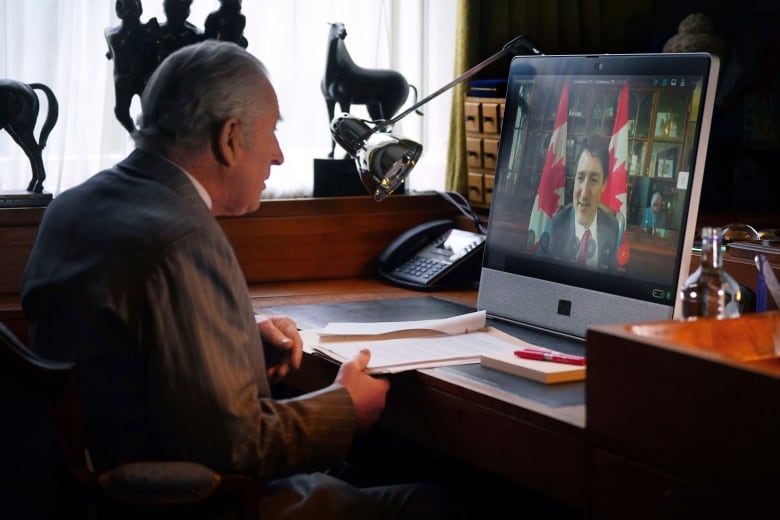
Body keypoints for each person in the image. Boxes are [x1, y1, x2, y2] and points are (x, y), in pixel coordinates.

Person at [21, 41, 450, 519]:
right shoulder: (183, 237)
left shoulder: (72, 206)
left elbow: (133, 341)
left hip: (93, 492)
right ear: (229, 139)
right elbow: (238, 448)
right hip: (198, 504)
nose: (280, 156)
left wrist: (238, 339)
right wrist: (345, 407)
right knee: (453, 502)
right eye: (270, 132)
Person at [549, 136, 620, 270]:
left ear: (604, 184)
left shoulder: (613, 229)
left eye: (593, 180)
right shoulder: (555, 226)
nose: (584, 193)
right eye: (580, 178)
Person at [104, 0, 159, 133]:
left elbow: (156, 53)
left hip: (144, 78)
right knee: (121, 112)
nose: (129, 11)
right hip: (123, 80)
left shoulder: (149, 30)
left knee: (150, 114)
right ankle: (137, 136)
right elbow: (111, 52)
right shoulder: (111, 34)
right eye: (124, 6)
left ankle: (146, 140)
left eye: (132, 6)